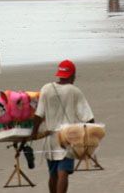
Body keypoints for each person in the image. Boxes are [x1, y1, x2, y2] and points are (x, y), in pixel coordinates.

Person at [31, 60, 95, 193]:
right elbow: (89, 118)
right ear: (73, 76)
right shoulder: (74, 91)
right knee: (63, 173)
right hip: (68, 138)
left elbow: (38, 115)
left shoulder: (46, 88)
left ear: (59, 74)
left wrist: (34, 133)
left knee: (53, 174)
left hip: (50, 139)